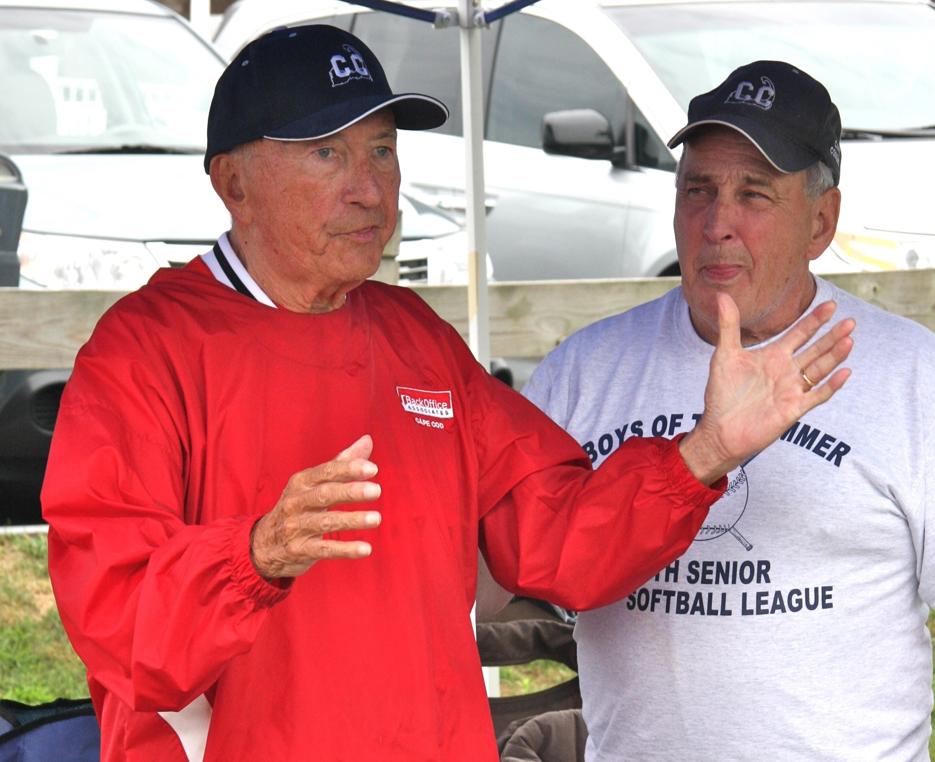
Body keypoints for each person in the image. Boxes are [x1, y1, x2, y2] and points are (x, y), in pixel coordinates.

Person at [42, 30, 854, 761]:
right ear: (233, 182)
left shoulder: (414, 338)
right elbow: (117, 622)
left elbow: (556, 540)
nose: (369, 189)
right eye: (327, 154)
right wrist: (255, 556)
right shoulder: (144, 352)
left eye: (382, 151)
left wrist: (706, 452)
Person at [523, 59, 935, 761]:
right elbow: (490, 567)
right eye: (698, 190)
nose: (717, 223)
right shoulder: (585, 372)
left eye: (753, 195)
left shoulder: (909, 376)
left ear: (821, 221)